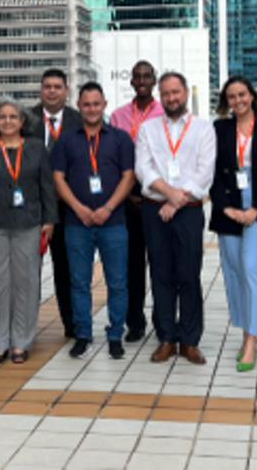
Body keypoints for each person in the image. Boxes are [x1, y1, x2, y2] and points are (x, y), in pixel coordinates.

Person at [136, 72, 216, 364]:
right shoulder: (148, 129)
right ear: (161, 95)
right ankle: (167, 337)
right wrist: (170, 195)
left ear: (185, 93)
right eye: (166, 93)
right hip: (154, 209)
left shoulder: (203, 129)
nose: (172, 98)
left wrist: (177, 202)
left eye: (176, 92)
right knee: (160, 274)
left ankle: (190, 340)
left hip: (190, 212)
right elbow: (143, 169)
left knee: (189, 275)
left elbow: (204, 174)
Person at [52, 83, 137, 360]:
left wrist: (108, 207)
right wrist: (77, 207)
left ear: (104, 104)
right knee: (79, 282)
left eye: (96, 103)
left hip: (113, 221)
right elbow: (58, 178)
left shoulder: (121, 138)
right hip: (77, 223)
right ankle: (83, 334)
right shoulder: (65, 140)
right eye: (86, 104)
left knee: (118, 281)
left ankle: (115, 335)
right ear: (79, 105)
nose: (91, 109)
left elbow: (128, 176)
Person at [0, 101, 57, 365]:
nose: (8, 121)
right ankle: (0, 341)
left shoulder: (35, 148)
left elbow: (47, 185)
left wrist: (49, 219)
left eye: (13, 117)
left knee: (26, 283)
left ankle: (21, 341)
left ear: (23, 121)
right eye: (2, 117)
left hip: (29, 224)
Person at [210, 77, 257, 372]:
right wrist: (226, 207)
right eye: (231, 96)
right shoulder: (219, 128)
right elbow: (211, 171)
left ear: (252, 96)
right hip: (228, 204)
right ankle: (244, 331)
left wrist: (255, 208)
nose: (237, 100)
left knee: (251, 267)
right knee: (234, 271)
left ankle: (251, 339)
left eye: (242, 94)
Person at [109, 60, 163, 343]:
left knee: (160, 262)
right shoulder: (118, 115)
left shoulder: (164, 111)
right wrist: (127, 194)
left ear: (154, 80)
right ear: (131, 81)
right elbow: (112, 158)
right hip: (126, 196)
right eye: (137, 76)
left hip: (157, 195)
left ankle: (162, 319)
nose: (142, 80)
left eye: (147, 76)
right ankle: (135, 322)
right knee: (131, 265)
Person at [31, 68, 81, 338]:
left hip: (68, 208)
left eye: (57, 86)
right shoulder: (25, 119)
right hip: (33, 209)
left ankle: (72, 326)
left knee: (67, 270)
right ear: (41, 90)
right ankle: (25, 329)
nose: (52, 91)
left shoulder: (79, 119)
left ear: (66, 90)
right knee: (28, 273)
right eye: (47, 86)